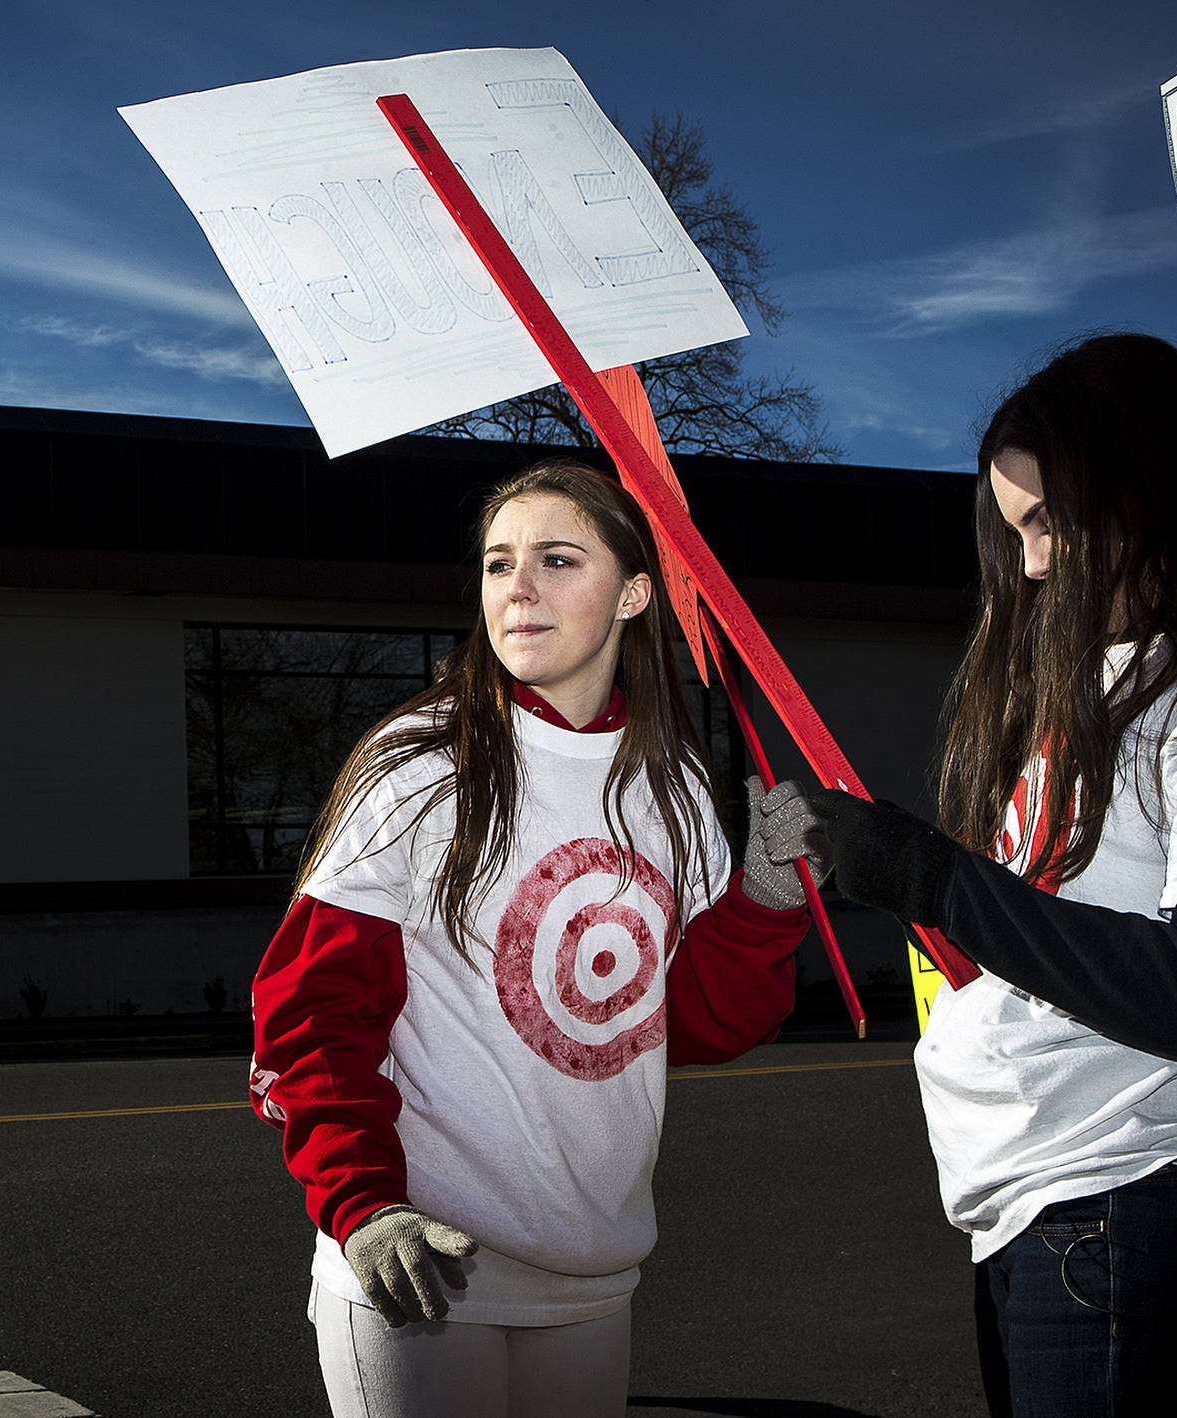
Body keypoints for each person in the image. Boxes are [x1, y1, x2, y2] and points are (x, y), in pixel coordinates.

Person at [758, 334, 1177, 1418]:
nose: (1030, 565)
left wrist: (933, 876)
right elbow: (1041, 938)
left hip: (1140, 1198)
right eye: (1013, 532)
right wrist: (880, 864)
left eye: (1047, 520)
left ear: (1149, 486)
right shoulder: (1091, 690)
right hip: (1037, 1206)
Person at [249, 459, 808, 1418]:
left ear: (635, 592)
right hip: (420, 1271)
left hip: (596, 1276)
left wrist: (761, 899)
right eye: (498, 562)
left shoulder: (672, 785)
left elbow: (696, 1026)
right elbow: (310, 1014)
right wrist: (363, 1204)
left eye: (556, 560)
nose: (518, 587)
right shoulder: (419, 764)